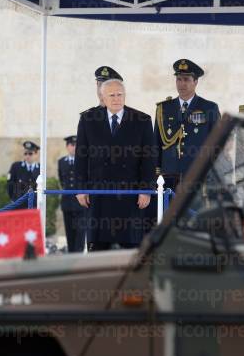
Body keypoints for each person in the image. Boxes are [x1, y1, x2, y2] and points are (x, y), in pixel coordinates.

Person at [75, 79, 155, 251]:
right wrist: (80, 188)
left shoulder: (141, 120)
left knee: (131, 248)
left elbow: (149, 159)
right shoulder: (88, 119)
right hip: (99, 193)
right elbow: (81, 157)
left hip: (130, 194)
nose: (116, 98)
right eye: (112, 95)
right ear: (102, 97)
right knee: (98, 247)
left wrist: (146, 190)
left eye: (120, 94)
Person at [154, 59, 220, 190]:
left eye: (186, 79)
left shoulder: (209, 108)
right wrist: (156, 174)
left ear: (195, 82)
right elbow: (156, 143)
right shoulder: (164, 108)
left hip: (197, 176)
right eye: (179, 79)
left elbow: (217, 143)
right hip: (168, 176)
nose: (182, 84)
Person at [58, 135, 86, 252]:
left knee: (80, 233)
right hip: (67, 203)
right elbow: (61, 180)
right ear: (67, 146)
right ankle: (71, 256)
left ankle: (78, 258)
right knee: (69, 232)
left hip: (81, 203)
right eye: (72, 145)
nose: (74, 147)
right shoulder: (61, 162)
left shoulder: (84, 160)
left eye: (76, 145)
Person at [6, 141, 40, 209]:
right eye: (25, 153)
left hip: (34, 205)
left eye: (30, 153)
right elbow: (10, 184)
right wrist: (14, 200)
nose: (27, 156)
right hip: (19, 205)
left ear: (36, 154)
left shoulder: (40, 168)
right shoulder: (16, 166)